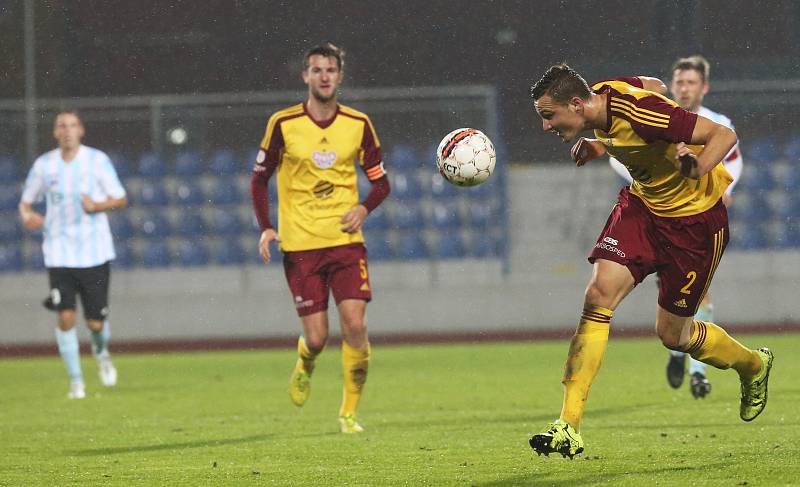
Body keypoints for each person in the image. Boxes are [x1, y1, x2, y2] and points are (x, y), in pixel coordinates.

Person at [527, 64, 772, 458]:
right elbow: (656, 85)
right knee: (598, 296)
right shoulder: (604, 97)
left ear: (575, 103)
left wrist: (697, 165)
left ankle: (753, 366)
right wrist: (599, 146)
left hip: (694, 225)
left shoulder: (644, 114)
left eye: (549, 115)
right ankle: (568, 425)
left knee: (674, 336)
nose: (546, 126)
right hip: (643, 208)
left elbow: (724, 135)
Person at [250, 42, 390, 434]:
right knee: (317, 336)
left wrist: (363, 208)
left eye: (331, 70)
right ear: (306, 76)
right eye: (317, 70)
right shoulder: (284, 123)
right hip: (300, 245)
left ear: (340, 76)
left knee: (355, 324)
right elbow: (259, 179)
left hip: (346, 242)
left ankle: (348, 413)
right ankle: (305, 360)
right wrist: (266, 226)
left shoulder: (358, 124)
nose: (324, 76)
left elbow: (381, 184)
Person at [608, 55, 744, 399]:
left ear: (704, 88)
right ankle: (677, 350)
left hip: (697, 216)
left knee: (698, 291)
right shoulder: (655, 111)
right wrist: (650, 179)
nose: (684, 88)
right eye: (679, 81)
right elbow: (618, 154)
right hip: (658, 215)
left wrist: (725, 189)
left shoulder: (715, 122)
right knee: (672, 292)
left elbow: (733, 157)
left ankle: (697, 371)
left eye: (691, 82)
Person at [19, 110, 128, 399]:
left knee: (95, 323)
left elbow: (120, 198)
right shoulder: (45, 165)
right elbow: (26, 203)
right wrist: (28, 215)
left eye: (71, 125)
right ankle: (76, 381)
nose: (66, 130)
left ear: (81, 130)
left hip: (94, 253)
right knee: (65, 317)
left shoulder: (97, 161)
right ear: (55, 132)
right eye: (61, 126)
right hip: (58, 252)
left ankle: (102, 353)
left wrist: (98, 206)